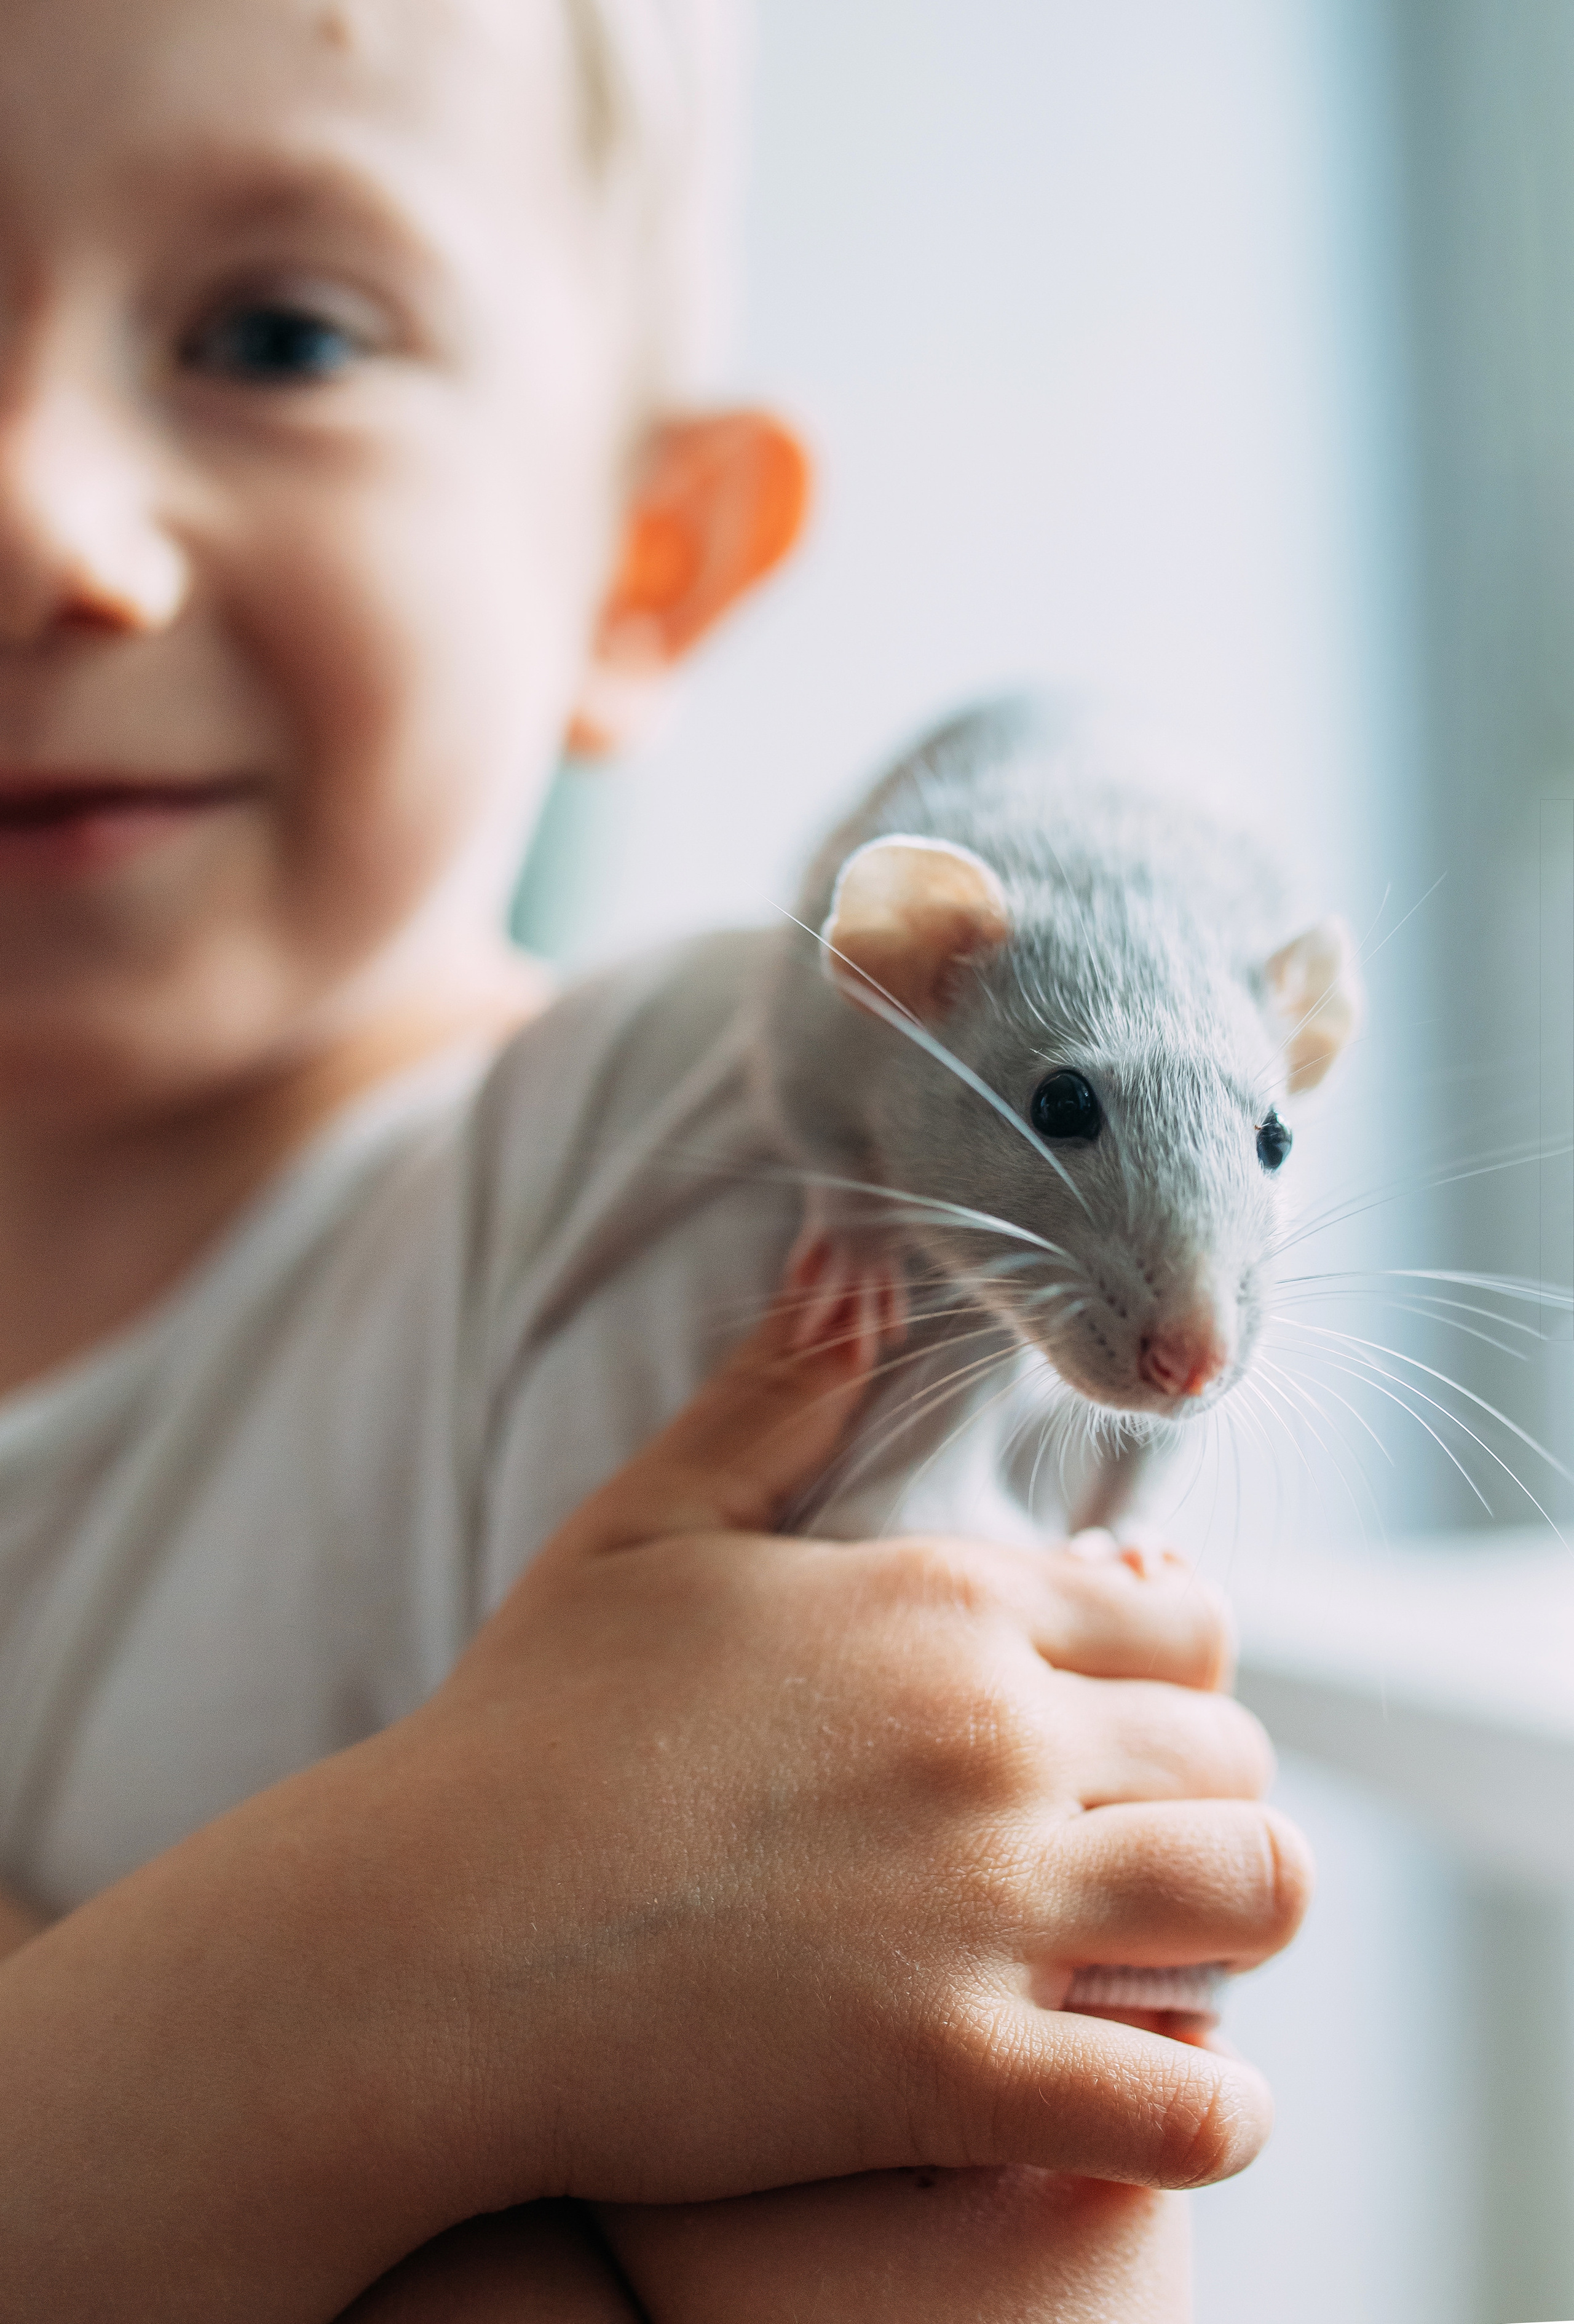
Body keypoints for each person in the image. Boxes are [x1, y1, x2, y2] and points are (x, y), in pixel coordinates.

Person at [0, 1, 1312, 2315]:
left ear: (651, 551)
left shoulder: (719, 1192)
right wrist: (441, 1967)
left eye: (279, 336)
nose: (40, 525)